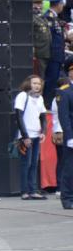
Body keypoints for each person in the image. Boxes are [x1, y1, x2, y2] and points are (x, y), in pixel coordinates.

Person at [14, 75, 47, 200]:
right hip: (26, 136)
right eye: (34, 83)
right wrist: (25, 136)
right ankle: (24, 191)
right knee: (25, 164)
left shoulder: (40, 98)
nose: (37, 86)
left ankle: (33, 190)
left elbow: (43, 117)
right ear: (28, 83)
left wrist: (43, 131)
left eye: (39, 83)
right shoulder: (23, 96)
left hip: (36, 135)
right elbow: (18, 116)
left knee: (34, 163)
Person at [55, 61, 73, 209]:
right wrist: (69, 136)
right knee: (69, 167)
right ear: (70, 73)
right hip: (72, 134)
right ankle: (67, 198)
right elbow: (64, 116)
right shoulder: (64, 91)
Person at [43, 0, 66, 104]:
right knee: (50, 81)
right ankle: (47, 104)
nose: (63, 6)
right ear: (58, 4)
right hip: (52, 55)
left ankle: (49, 103)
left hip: (57, 55)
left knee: (54, 80)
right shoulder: (49, 17)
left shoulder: (55, 18)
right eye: (62, 3)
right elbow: (49, 38)